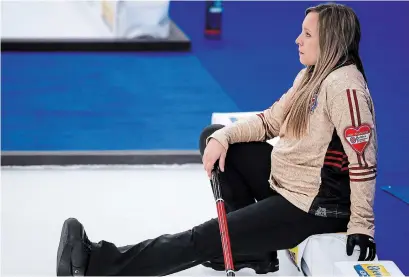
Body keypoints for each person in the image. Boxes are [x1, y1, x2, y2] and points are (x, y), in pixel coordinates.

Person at [56, 3, 378, 276]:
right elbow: (270, 120)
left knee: (206, 237)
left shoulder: (344, 88)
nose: (297, 40)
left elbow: (363, 162)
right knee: (213, 137)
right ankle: (252, 252)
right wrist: (223, 137)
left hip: (312, 208)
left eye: (307, 34)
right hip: (290, 184)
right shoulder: (311, 75)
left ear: (331, 41)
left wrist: (362, 226)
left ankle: (97, 263)